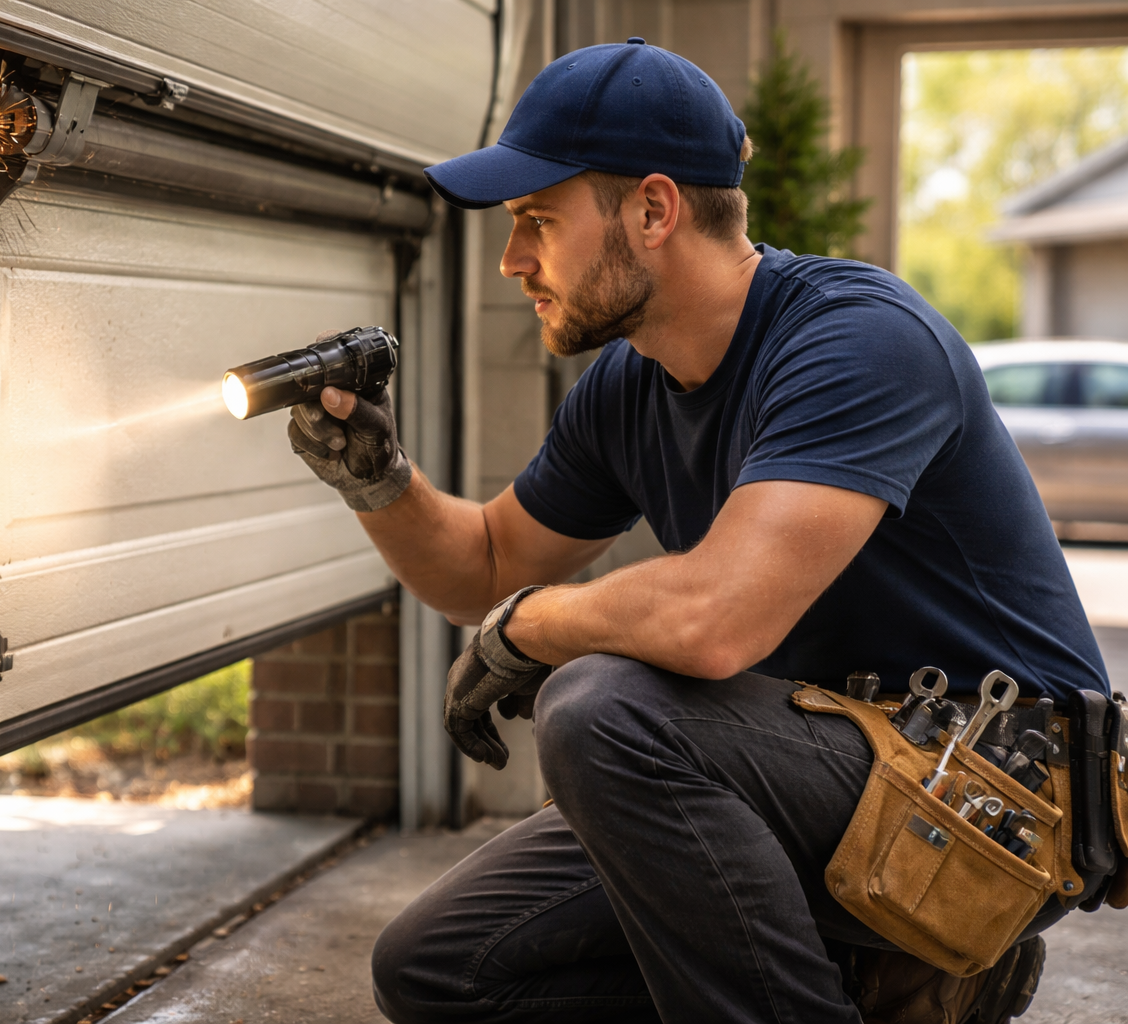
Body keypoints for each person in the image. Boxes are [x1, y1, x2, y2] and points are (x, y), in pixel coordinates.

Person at [284, 39, 1110, 1024]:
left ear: (653, 209)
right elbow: (487, 564)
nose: (513, 262)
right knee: (440, 968)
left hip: (994, 793)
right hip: (820, 772)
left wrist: (533, 628)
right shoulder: (629, 387)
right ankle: (873, 985)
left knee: (604, 707)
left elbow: (719, 618)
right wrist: (380, 480)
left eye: (537, 222)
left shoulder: (858, 339)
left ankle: (911, 961)